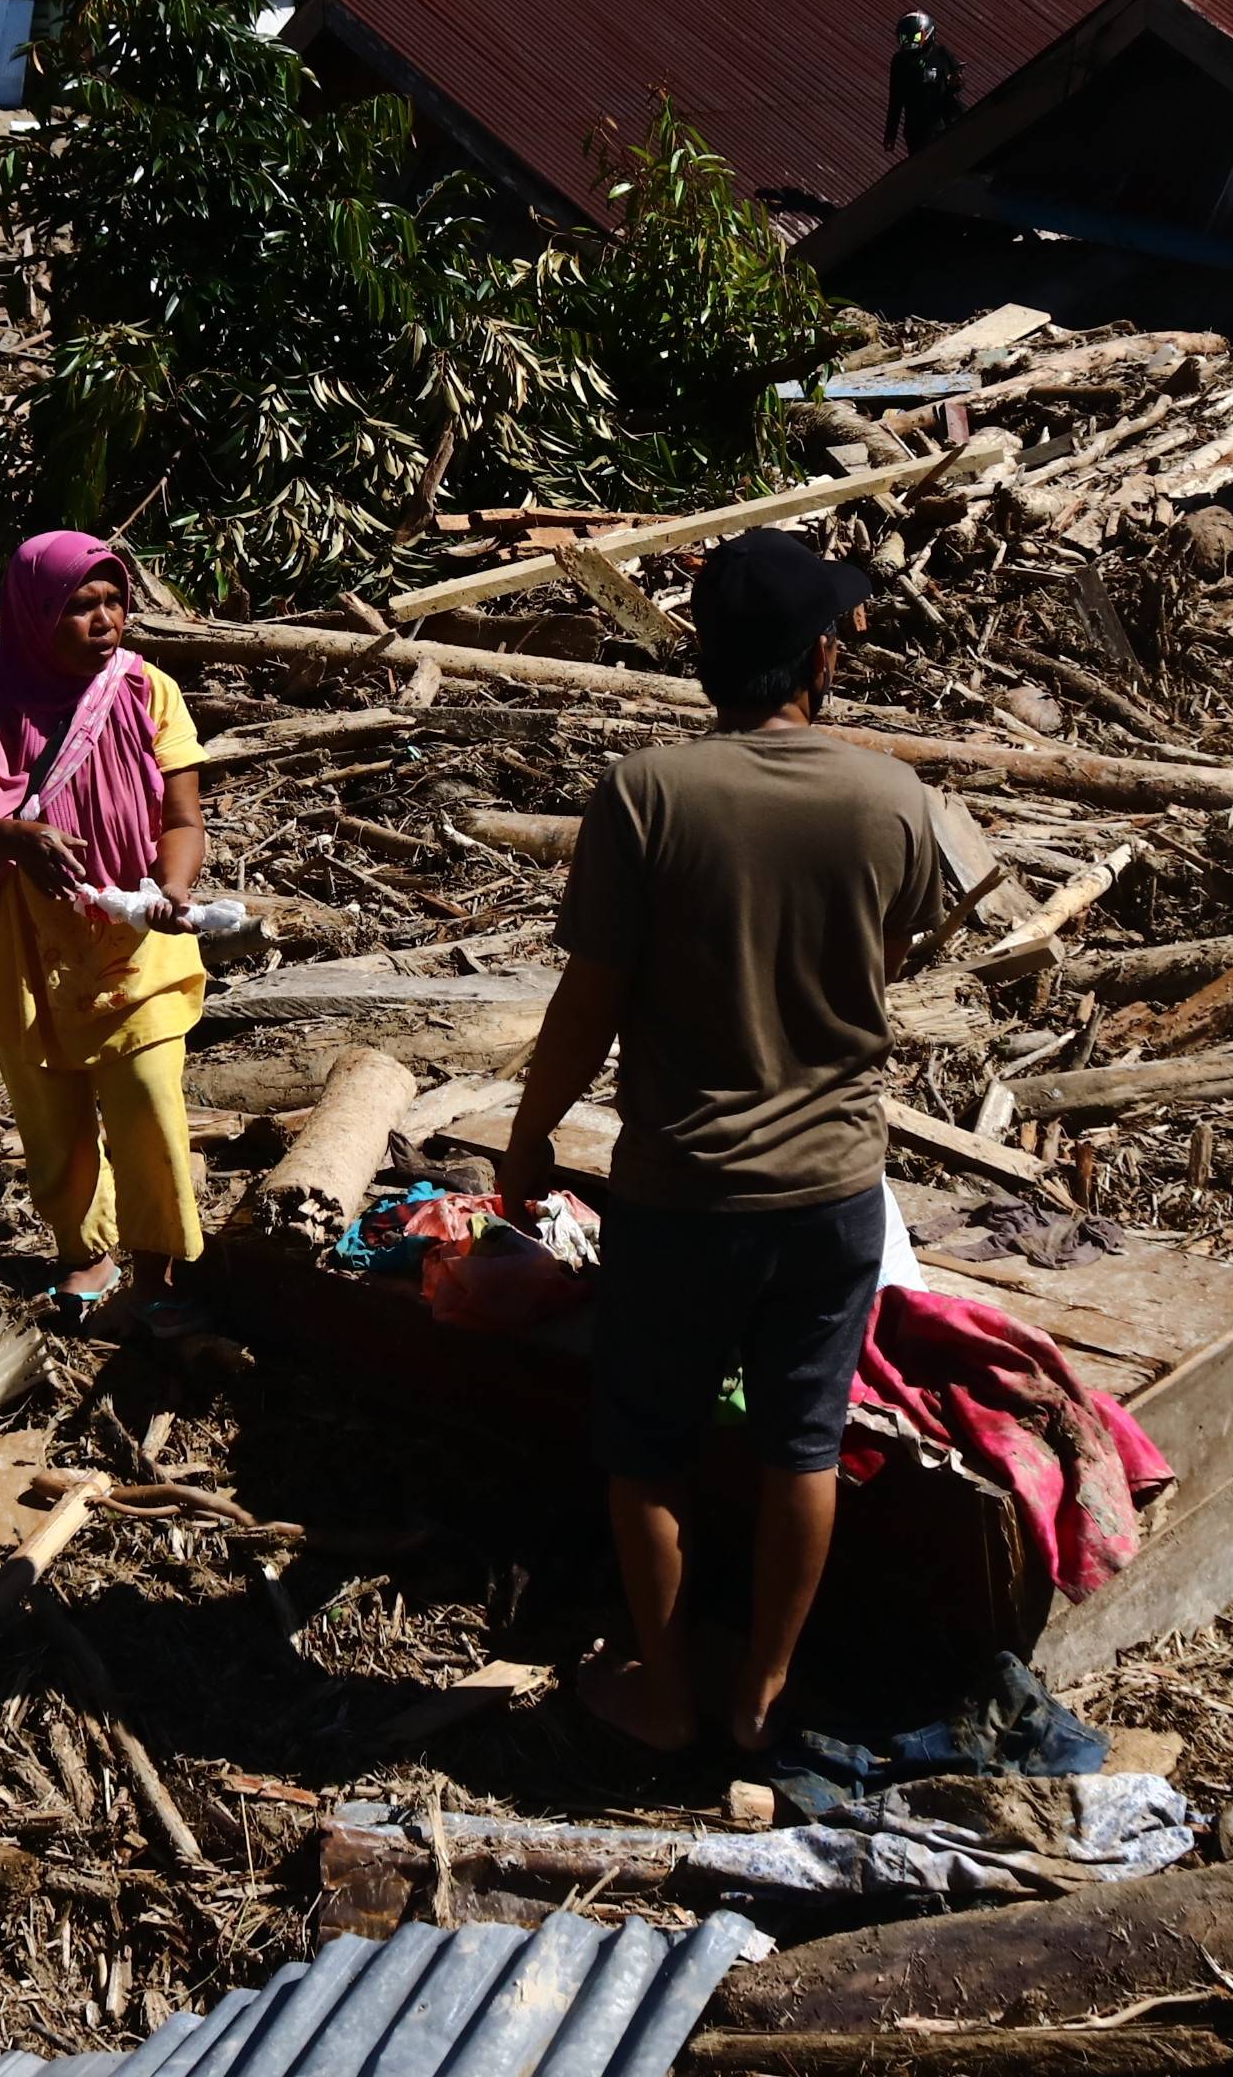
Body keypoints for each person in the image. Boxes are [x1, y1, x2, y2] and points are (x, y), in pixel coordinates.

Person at [500, 530, 946, 1758]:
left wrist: (530, 1138)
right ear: (816, 657)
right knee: (802, 1439)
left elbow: (586, 1003)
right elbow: (890, 955)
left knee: (648, 1451)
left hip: (681, 1188)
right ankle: (761, 1696)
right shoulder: (891, 796)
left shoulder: (646, 793)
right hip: (832, 1187)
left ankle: (665, 1689)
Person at [0, 534, 215, 1334]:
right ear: (36, 614)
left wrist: (172, 890)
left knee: (147, 1099)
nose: (103, 620)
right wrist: (16, 837)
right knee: (50, 1100)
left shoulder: (146, 689)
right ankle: (84, 1247)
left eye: (112, 602)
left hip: (133, 926)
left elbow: (182, 817)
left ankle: (159, 1263)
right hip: (24, 934)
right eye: (80, 606)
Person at [882, 9, 965, 152]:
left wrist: (956, 82)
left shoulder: (941, 54)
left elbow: (956, 83)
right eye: (905, 38)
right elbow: (895, 99)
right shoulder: (899, 62)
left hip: (946, 121)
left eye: (915, 38)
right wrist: (890, 135)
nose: (910, 43)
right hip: (918, 131)